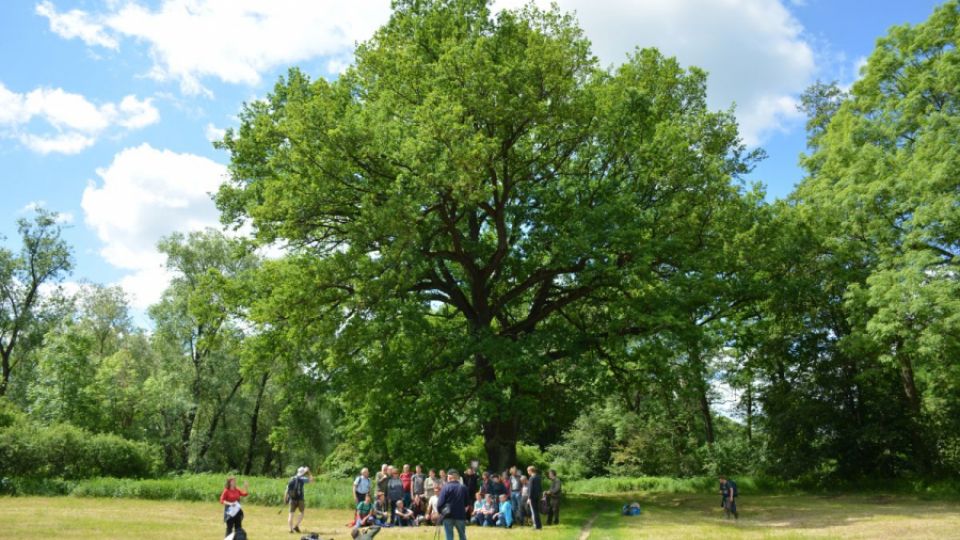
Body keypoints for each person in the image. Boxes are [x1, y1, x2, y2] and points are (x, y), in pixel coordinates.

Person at [436, 469, 470, 540]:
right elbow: (467, 503)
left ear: (450, 478)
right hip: (460, 515)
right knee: (462, 536)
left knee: (449, 537)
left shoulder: (445, 487)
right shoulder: (463, 487)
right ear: (457, 478)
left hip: (448, 515)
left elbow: (440, 503)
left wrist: (440, 513)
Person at [285, 466, 313, 534]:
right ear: (303, 473)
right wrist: (308, 472)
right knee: (302, 513)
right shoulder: (303, 479)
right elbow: (312, 481)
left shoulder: (291, 478)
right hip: (300, 499)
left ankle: (291, 529)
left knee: (291, 514)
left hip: (292, 499)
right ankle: (296, 525)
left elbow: (286, 490)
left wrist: (285, 499)